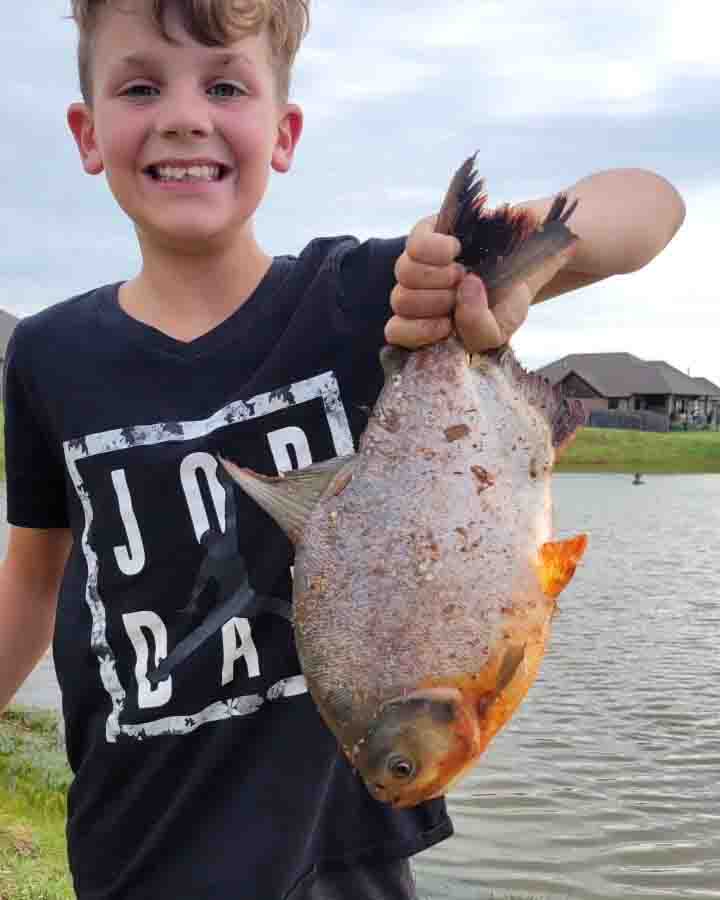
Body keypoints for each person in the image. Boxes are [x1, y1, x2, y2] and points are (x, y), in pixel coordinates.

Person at [0, 1, 685, 898]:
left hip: (340, 860)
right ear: (88, 135)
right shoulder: (48, 355)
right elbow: (35, 573)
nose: (182, 114)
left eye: (225, 85)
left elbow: (653, 206)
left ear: (283, 134)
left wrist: (500, 271)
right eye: (139, 86)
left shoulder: (366, 298)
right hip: (133, 844)